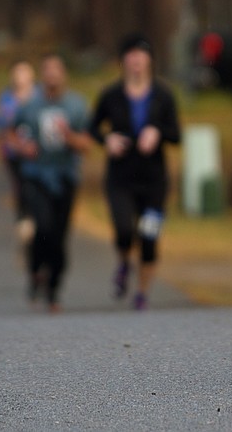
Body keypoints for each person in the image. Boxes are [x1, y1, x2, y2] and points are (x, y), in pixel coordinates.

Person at [89, 33, 181, 311]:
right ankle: (122, 263)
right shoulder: (111, 96)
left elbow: (177, 135)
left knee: (149, 238)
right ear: (123, 61)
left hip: (153, 180)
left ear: (150, 60)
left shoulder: (163, 96)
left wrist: (157, 132)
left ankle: (142, 292)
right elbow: (92, 128)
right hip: (121, 178)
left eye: (141, 55)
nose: (136, 61)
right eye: (131, 55)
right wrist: (108, 140)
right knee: (124, 230)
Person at [8, 55, 91, 312]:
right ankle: (35, 271)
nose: (52, 75)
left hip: (65, 176)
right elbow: (9, 134)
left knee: (59, 235)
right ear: (41, 75)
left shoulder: (76, 105)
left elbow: (87, 144)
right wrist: (23, 146)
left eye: (57, 70)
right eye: (48, 70)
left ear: (64, 74)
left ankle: (54, 289)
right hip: (36, 175)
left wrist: (70, 138)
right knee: (42, 227)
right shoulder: (30, 105)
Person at [0, 60, 40, 240]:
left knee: (36, 184)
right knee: (20, 184)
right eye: (17, 73)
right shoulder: (6, 97)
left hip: (36, 151)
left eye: (24, 72)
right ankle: (24, 218)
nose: (20, 77)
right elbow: (1, 125)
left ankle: (37, 217)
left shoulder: (40, 95)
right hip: (13, 152)